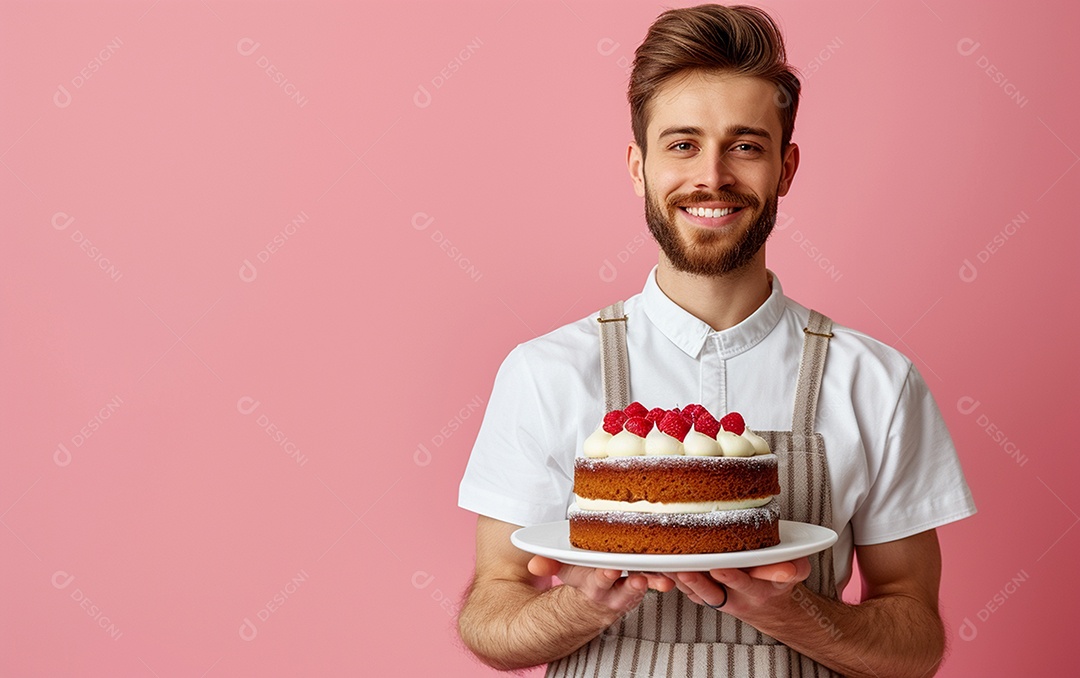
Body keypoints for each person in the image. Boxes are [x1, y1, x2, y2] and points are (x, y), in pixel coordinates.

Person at [455, 4, 976, 677]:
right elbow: (491, 614)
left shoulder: (877, 380)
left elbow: (915, 639)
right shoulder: (546, 372)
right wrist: (582, 606)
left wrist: (791, 613)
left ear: (785, 169)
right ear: (638, 167)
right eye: (682, 145)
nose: (712, 176)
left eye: (745, 145)